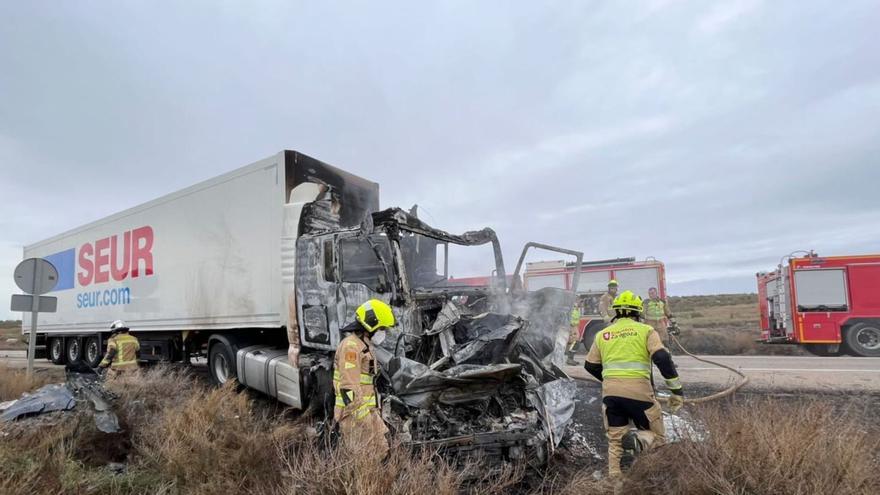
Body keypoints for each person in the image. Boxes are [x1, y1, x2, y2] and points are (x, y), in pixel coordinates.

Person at [583, 290, 684, 478]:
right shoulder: (646, 330)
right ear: (638, 312)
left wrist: (609, 380)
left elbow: (590, 365)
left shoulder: (603, 334)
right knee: (656, 438)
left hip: (612, 395)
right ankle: (639, 442)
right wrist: (676, 391)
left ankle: (617, 486)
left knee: (615, 442)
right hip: (640, 394)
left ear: (616, 311)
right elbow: (662, 357)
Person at [333, 299, 393, 458]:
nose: (383, 332)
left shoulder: (364, 345)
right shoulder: (351, 347)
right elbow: (348, 388)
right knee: (365, 461)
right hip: (355, 416)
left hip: (368, 412)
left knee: (382, 453)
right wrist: (364, 419)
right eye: (382, 328)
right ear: (370, 326)